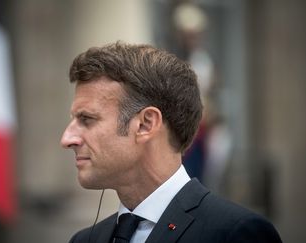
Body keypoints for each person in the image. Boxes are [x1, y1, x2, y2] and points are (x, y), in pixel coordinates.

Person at [60, 42, 282, 243]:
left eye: (86, 119)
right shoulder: (84, 240)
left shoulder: (236, 234)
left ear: (146, 124)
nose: (67, 139)